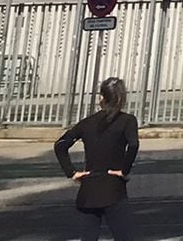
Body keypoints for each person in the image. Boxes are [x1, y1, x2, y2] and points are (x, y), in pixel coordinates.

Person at [56, 77, 139, 240]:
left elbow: (60, 145)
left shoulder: (87, 123)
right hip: (113, 187)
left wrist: (71, 172)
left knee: (89, 235)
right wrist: (124, 170)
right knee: (124, 235)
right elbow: (133, 145)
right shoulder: (127, 121)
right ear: (121, 98)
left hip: (89, 188)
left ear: (102, 98)